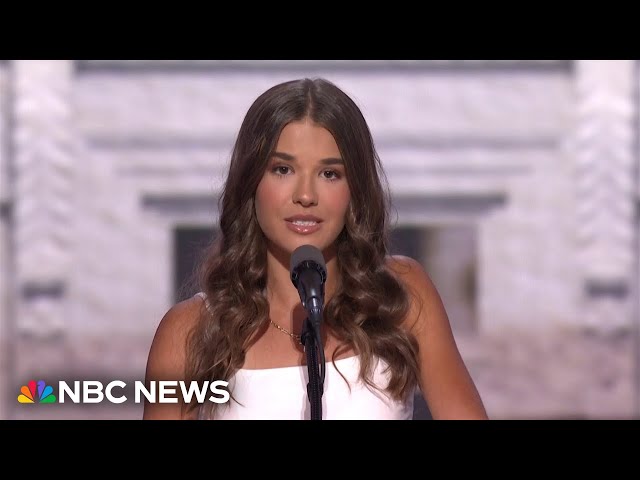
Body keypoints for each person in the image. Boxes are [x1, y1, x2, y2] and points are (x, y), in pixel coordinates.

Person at [142, 77, 488, 420]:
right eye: (283, 169)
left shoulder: (400, 294)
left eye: (330, 174)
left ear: (355, 189)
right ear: (251, 182)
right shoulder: (190, 331)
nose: (305, 195)